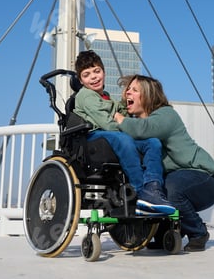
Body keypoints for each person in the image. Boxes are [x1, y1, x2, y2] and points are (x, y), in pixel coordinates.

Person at [114, 74, 214, 252]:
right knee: (153, 192)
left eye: (134, 90)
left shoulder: (166, 115)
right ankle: (165, 233)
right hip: (177, 176)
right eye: (128, 90)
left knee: (171, 191)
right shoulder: (135, 123)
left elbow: (144, 130)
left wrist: (119, 119)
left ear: (148, 95)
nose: (128, 93)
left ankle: (198, 232)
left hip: (205, 177)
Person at [73, 51, 175, 215]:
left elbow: (120, 112)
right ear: (81, 80)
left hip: (112, 135)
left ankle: (153, 187)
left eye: (97, 71)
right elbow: (107, 124)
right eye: (86, 75)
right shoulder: (85, 96)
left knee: (153, 142)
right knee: (124, 139)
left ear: (104, 72)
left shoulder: (106, 97)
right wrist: (131, 129)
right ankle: (141, 191)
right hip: (95, 136)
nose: (93, 77)